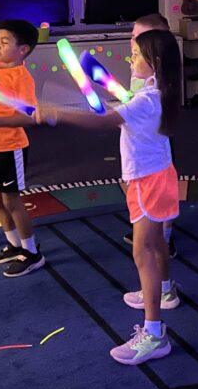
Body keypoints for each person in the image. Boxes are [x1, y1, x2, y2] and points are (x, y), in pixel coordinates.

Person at [37, 30, 181, 365]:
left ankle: (154, 334)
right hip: (155, 176)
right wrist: (98, 83)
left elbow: (104, 121)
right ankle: (164, 289)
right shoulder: (154, 93)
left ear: (155, 62)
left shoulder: (147, 100)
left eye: (136, 54)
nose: (131, 60)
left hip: (148, 181)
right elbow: (121, 108)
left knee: (143, 251)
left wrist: (56, 113)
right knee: (155, 244)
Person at [0, 19, 43, 277]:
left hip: (10, 146)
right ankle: (14, 244)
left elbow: (28, 116)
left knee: (11, 200)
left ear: (23, 49)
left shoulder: (20, 76)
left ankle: (31, 251)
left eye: (4, 42)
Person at [121, 13, 177, 259]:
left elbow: (143, 105)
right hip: (138, 142)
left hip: (152, 149)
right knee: (137, 186)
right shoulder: (140, 71)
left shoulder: (159, 82)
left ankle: (164, 236)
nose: (132, 41)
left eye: (139, 36)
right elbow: (133, 101)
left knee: (159, 191)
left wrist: (57, 115)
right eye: (133, 36)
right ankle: (150, 228)